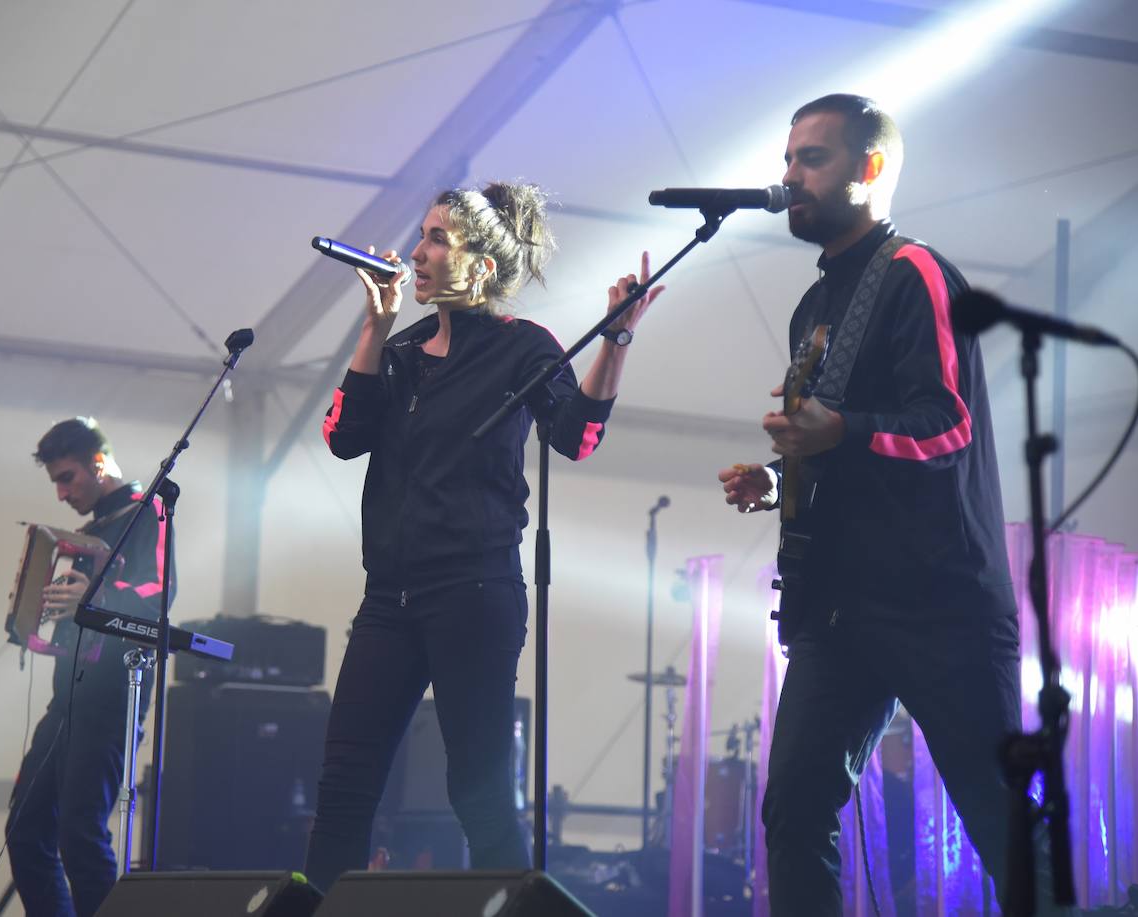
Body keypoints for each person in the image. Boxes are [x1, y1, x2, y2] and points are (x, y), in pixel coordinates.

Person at [718, 93, 1030, 915]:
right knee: (793, 810)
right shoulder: (814, 306)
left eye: (810, 159)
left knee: (1000, 821)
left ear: (872, 168)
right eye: (786, 159)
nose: (789, 177)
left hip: (940, 604)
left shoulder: (915, 273)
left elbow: (949, 427)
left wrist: (840, 432)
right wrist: (780, 480)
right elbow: (834, 444)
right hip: (839, 611)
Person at [304, 181, 663, 891]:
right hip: (389, 598)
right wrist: (374, 328)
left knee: (478, 791)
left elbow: (577, 437)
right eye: (423, 234)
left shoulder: (522, 348)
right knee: (344, 785)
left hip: (473, 593)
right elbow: (343, 436)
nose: (418, 252)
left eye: (439, 238)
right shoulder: (402, 349)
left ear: (482, 266)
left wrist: (616, 338)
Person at [6, 417, 174, 917]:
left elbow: (160, 596)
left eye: (66, 477)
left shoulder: (150, 513)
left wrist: (96, 594)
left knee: (80, 833)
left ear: (98, 464)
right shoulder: (89, 531)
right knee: (25, 830)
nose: (60, 493)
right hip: (69, 695)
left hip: (112, 696)